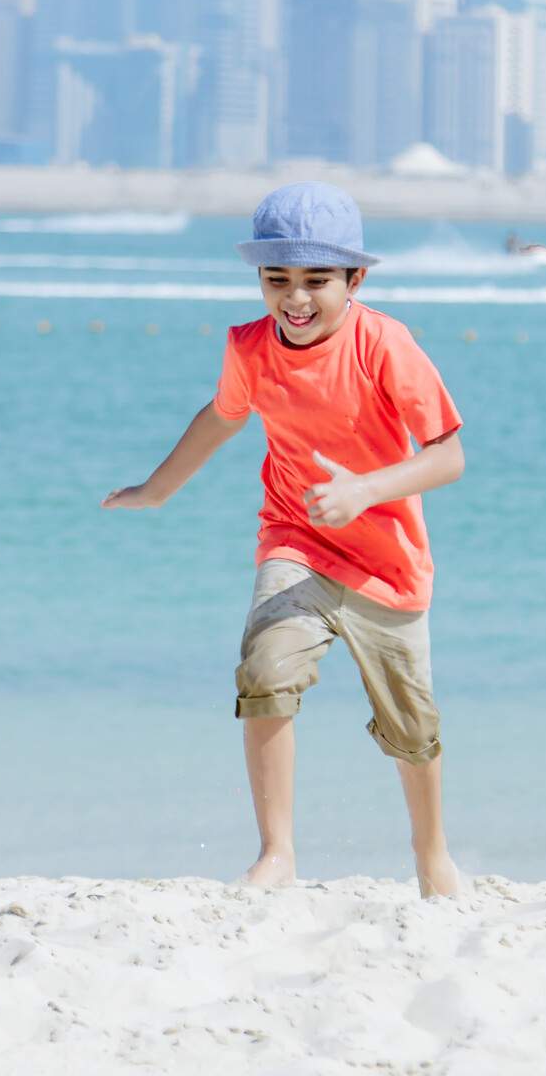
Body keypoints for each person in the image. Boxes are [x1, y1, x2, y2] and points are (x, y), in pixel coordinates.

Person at [102, 182, 467, 898]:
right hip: (294, 539)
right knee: (266, 671)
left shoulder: (384, 344)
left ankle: (432, 857)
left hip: (389, 565)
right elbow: (221, 417)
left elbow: (449, 455)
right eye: (278, 280)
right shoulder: (250, 347)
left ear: (354, 280)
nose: (296, 299)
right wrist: (157, 489)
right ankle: (277, 855)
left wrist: (363, 489)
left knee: (411, 724)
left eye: (316, 281)